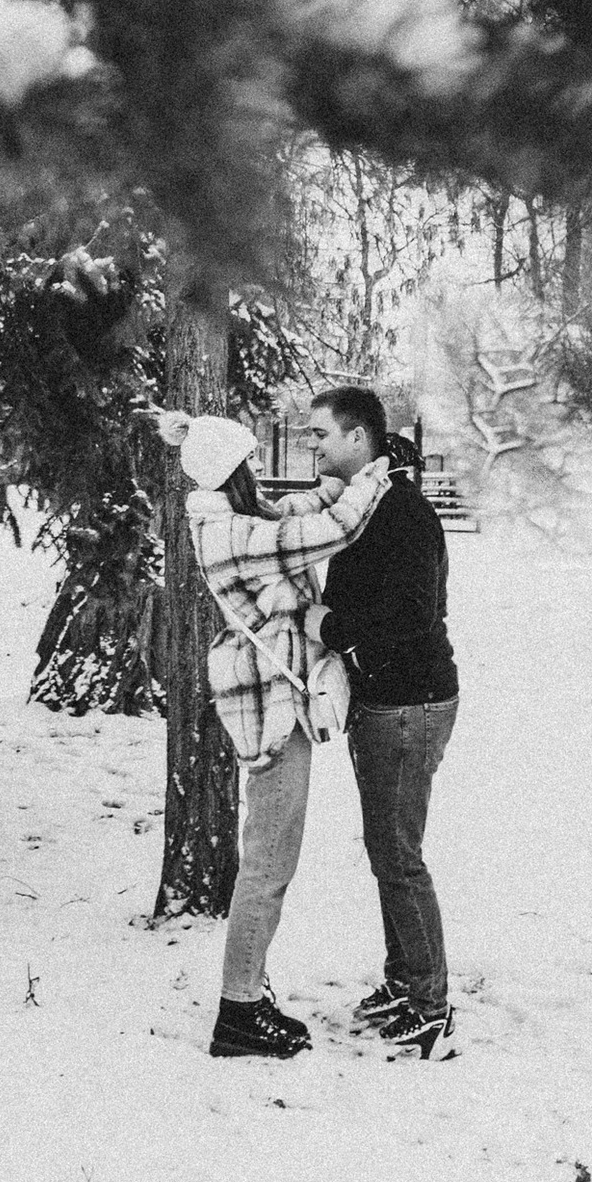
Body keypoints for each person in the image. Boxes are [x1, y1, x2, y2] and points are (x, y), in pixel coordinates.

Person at [161, 408, 389, 1062]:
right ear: (228, 472)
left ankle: (248, 992)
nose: (258, 470)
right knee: (268, 862)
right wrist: (373, 475)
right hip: (270, 708)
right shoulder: (229, 533)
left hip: (275, 699)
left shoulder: (238, 520)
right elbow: (329, 529)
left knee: (271, 856)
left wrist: (335, 484)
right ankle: (238, 1012)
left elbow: (296, 512)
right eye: (250, 463)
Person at [309, 385, 459, 1054]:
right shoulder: (366, 505)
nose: (313, 444)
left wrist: (330, 626)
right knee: (386, 850)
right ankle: (405, 982)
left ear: (359, 439)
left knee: (399, 855)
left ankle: (430, 1004)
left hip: (409, 703)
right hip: (386, 700)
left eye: (321, 434)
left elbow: (411, 617)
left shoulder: (402, 514)